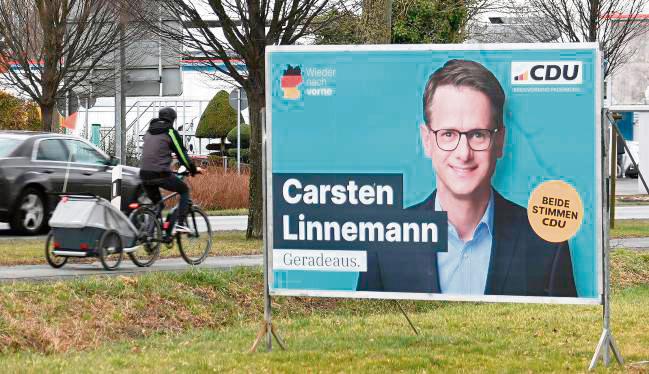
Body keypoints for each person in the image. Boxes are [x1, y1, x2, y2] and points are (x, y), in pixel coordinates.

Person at [357, 59, 577, 297]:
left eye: (478, 134)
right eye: (448, 134)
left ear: (500, 141)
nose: (463, 154)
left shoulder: (547, 241)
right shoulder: (384, 241)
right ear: (427, 140)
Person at [140, 107, 201, 236]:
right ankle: (180, 224)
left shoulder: (149, 132)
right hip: (160, 174)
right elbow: (181, 154)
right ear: (173, 120)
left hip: (144, 174)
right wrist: (193, 169)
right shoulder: (170, 132)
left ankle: (149, 236)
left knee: (159, 205)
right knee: (184, 190)